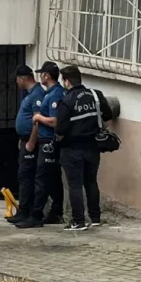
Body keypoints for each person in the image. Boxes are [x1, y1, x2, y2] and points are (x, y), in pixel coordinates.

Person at [55, 65, 114, 231]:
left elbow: (60, 130)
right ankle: (95, 218)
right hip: (93, 147)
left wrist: (60, 140)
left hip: (72, 149)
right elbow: (107, 118)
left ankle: (78, 221)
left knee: (75, 185)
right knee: (91, 182)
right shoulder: (96, 95)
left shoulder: (66, 101)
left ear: (67, 82)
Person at [16, 61, 65, 229]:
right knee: (50, 179)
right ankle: (52, 212)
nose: (40, 76)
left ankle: (36, 214)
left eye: (42, 73)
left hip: (47, 142)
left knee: (41, 179)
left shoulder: (53, 95)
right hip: (44, 141)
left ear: (46, 75)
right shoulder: (49, 93)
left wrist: (38, 119)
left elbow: (54, 121)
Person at [9, 65, 43, 225]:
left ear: (22, 78)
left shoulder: (37, 94)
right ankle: (23, 210)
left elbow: (38, 120)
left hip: (31, 143)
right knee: (23, 176)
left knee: (27, 176)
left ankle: (28, 211)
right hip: (25, 140)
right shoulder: (29, 94)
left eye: (17, 79)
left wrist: (31, 141)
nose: (16, 82)